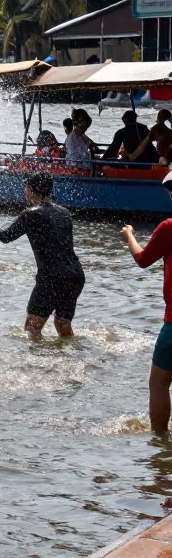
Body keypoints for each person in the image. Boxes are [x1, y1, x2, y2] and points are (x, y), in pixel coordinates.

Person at [0, 172, 86, 341]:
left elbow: (6, 236)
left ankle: (39, 365)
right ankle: (75, 355)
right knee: (62, 323)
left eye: (26, 188)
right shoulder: (65, 212)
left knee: (31, 328)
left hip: (52, 277)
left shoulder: (31, 214)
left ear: (30, 190)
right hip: (75, 275)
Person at [121, 175, 172, 434]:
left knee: (159, 383)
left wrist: (129, 234)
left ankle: (161, 447)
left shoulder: (169, 227)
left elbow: (142, 259)